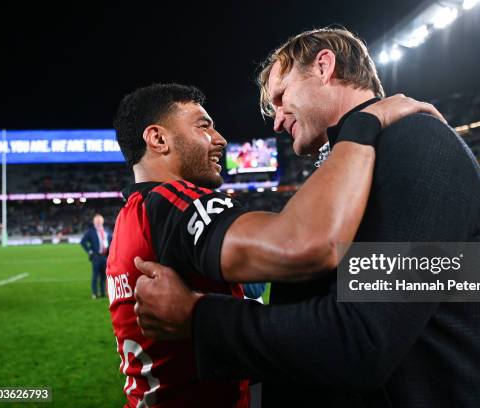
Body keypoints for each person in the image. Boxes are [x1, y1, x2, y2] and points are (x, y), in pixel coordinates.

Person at [134, 28, 480, 407]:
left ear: (324, 66)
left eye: (280, 98)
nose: (277, 122)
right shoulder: (357, 160)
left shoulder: (417, 142)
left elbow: (361, 341)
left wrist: (197, 315)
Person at [108, 82, 438, 407]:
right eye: (204, 126)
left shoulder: (130, 217)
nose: (220, 139)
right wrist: (364, 126)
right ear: (158, 138)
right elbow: (306, 243)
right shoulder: (174, 200)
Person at [80, 213, 112, 299]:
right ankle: (94, 293)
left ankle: (102, 293)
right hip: (96, 257)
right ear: (94, 222)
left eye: (99, 221)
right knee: (95, 276)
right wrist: (89, 251)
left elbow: (112, 241)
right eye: (96, 221)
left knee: (103, 276)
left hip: (105, 257)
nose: (98, 222)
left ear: (102, 221)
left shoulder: (107, 230)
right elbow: (83, 242)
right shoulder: (91, 231)